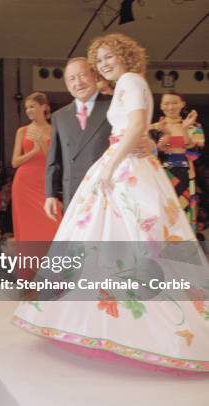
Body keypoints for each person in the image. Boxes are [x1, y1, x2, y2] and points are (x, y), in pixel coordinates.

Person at [14, 33, 209, 373]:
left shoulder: (130, 80)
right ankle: (106, 321)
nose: (104, 63)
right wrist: (144, 142)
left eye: (108, 57)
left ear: (125, 56)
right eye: (99, 58)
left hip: (123, 167)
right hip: (124, 162)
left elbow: (134, 124)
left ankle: (127, 322)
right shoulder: (125, 85)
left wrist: (116, 161)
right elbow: (139, 126)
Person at [43, 56, 153, 219]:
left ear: (95, 76)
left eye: (82, 75)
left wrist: (151, 145)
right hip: (74, 193)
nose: (78, 83)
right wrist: (50, 194)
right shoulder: (59, 116)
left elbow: (138, 131)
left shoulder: (116, 106)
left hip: (109, 186)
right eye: (71, 79)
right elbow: (55, 159)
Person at [151, 92, 205, 231]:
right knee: (163, 212)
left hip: (186, 175)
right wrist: (166, 137)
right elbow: (152, 153)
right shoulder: (154, 128)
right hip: (162, 175)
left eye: (175, 103)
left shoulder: (194, 127)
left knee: (184, 212)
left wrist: (185, 129)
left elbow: (194, 154)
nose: (171, 107)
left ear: (182, 104)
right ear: (161, 106)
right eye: (166, 103)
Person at [11, 93, 60, 241]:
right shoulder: (22, 131)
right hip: (23, 183)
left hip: (46, 183)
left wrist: (42, 144)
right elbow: (14, 162)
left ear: (44, 107)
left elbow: (55, 161)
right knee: (27, 228)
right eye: (27, 108)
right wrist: (33, 151)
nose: (29, 110)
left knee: (54, 223)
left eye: (32, 106)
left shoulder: (54, 130)